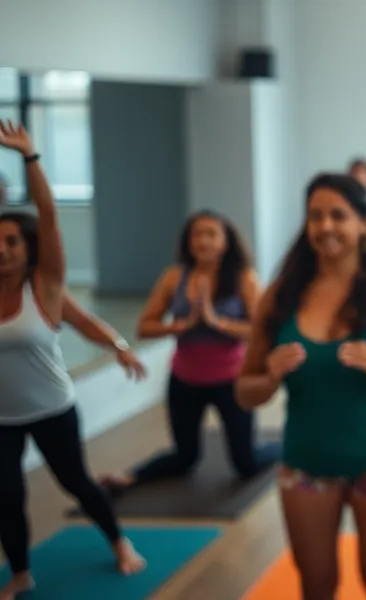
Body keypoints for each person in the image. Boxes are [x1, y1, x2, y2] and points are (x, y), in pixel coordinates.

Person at [236, 172, 366, 600]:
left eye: (339, 215)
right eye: (316, 216)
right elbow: (245, 392)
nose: (326, 226)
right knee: (316, 585)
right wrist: (271, 375)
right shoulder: (279, 297)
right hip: (305, 464)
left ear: (363, 224)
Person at [0, 121, 145, 599]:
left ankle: (119, 541)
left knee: (77, 484)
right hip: (2, 418)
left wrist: (31, 157)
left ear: (29, 248)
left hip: (52, 408)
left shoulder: (44, 288)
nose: (2, 252)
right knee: (6, 498)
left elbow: (48, 215)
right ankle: (20, 572)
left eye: (12, 243)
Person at [96, 211, 279, 495]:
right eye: (197, 234)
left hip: (232, 381)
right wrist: (182, 326)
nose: (203, 241)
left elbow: (262, 331)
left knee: (247, 464)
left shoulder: (244, 279)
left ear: (226, 241)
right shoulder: (173, 277)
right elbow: (144, 327)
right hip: (185, 380)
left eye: (211, 234)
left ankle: (290, 444)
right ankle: (129, 477)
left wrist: (215, 321)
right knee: (184, 458)